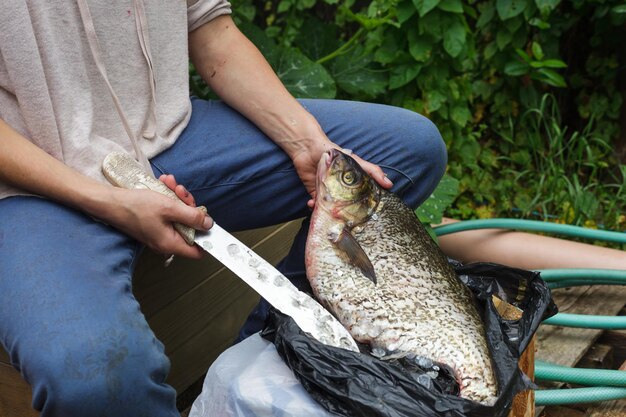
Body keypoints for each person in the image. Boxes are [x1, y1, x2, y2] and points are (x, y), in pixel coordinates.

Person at [0, 1, 447, 416]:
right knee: (95, 377)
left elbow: (212, 33)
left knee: (409, 152)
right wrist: (106, 201)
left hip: (171, 139)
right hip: (31, 182)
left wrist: (308, 143)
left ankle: (262, 352)